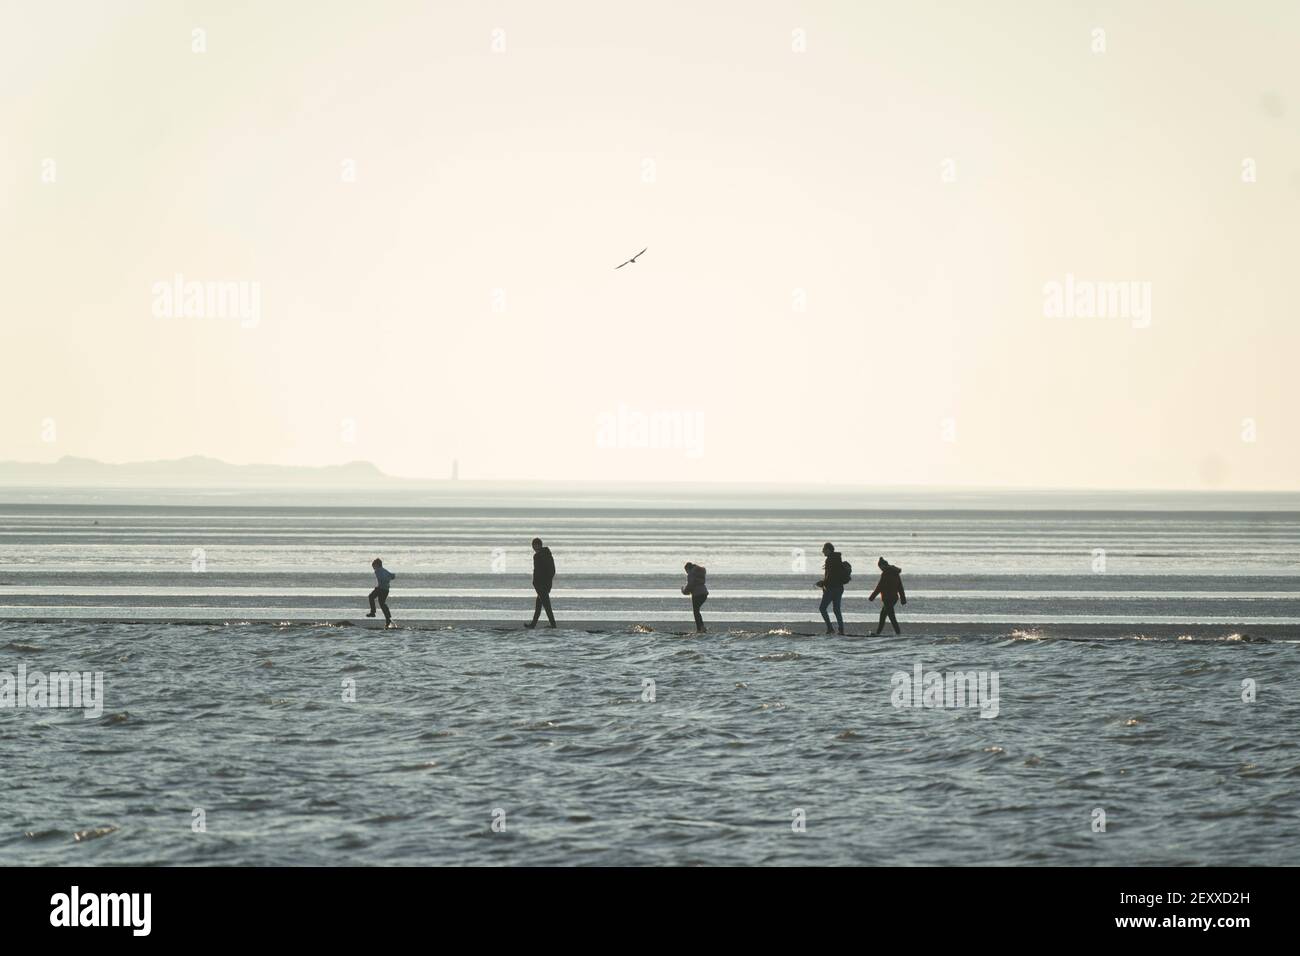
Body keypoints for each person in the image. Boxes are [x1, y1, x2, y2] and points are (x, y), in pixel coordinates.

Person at [816, 541, 848, 635]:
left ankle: (830, 629)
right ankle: (841, 630)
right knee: (836, 609)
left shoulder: (830, 560)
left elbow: (830, 576)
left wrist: (822, 583)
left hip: (831, 588)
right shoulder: (837, 558)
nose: (823, 552)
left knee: (822, 608)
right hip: (839, 588)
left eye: (824, 550)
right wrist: (824, 582)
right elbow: (832, 575)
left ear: (828, 550)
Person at [868, 556, 906, 635]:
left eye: (880, 567)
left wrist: (872, 596)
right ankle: (878, 632)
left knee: (891, 617)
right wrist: (903, 598)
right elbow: (900, 587)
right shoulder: (895, 573)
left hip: (888, 598)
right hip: (894, 598)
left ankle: (898, 633)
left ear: (883, 566)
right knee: (883, 615)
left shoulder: (885, 573)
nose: (880, 569)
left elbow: (880, 586)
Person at [525, 537, 557, 629]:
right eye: (533, 545)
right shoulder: (545, 554)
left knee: (546, 606)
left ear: (539, 545)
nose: (534, 547)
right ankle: (533, 624)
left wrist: (543, 583)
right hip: (542, 585)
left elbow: (549, 571)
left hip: (542, 585)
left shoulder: (541, 555)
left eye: (535, 545)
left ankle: (553, 625)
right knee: (539, 605)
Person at [367, 558, 396, 626]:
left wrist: (384, 582)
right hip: (385, 589)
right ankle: (388, 618)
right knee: (382, 603)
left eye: (374, 566)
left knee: (371, 597)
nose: (373, 568)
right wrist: (388, 579)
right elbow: (392, 576)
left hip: (381, 589)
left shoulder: (378, 571)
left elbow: (384, 578)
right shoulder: (384, 570)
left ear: (377, 565)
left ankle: (373, 612)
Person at [682, 562, 708, 633]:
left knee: (696, 612)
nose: (686, 573)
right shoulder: (699, 573)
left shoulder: (691, 574)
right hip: (704, 593)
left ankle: (700, 629)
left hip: (697, 594)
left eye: (686, 571)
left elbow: (690, 585)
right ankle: (701, 627)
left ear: (688, 569)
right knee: (697, 611)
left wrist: (684, 591)